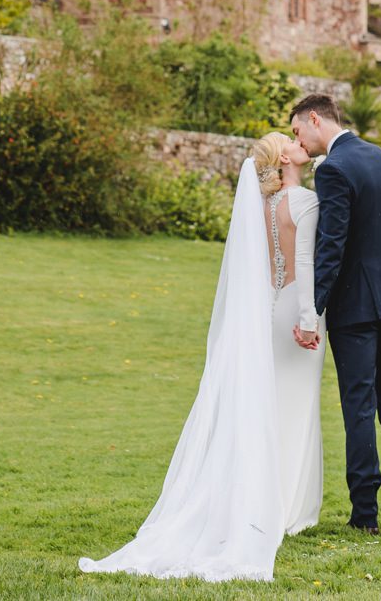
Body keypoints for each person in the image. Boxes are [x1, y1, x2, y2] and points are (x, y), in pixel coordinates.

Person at [78, 132, 325, 582]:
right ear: (285, 158)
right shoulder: (305, 204)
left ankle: (259, 500)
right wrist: (309, 318)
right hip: (295, 309)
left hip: (264, 310)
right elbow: (304, 264)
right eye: (288, 141)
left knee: (263, 407)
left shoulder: (261, 206)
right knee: (296, 410)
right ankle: (286, 509)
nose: (296, 141)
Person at [290, 92, 381, 535]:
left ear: (315, 119)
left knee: (359, 407)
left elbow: (332, 246)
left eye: (297, 131)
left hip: (357, 306)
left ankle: (364, 515)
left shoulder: (332, 169)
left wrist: (312, 309)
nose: (299, 141)